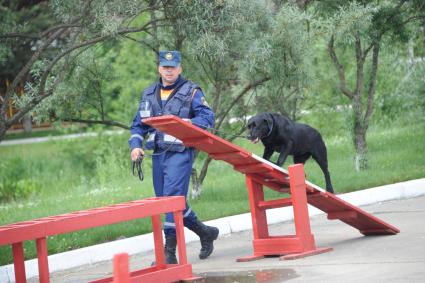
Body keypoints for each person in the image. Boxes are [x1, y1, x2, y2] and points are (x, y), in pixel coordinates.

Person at [128, 50, 219, 264]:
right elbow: (138, 125)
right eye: (165, 67)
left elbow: (208, 117)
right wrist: (135, 146)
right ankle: (205, 232)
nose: (169, 71)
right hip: (159, 154)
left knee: (170, 201)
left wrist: (188, 124)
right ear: (159, 68)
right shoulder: (149, 94)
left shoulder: (191, 91)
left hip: (181, 153)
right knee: (165, 202)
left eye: (173, 67)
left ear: (180, 69)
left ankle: (169, 254)